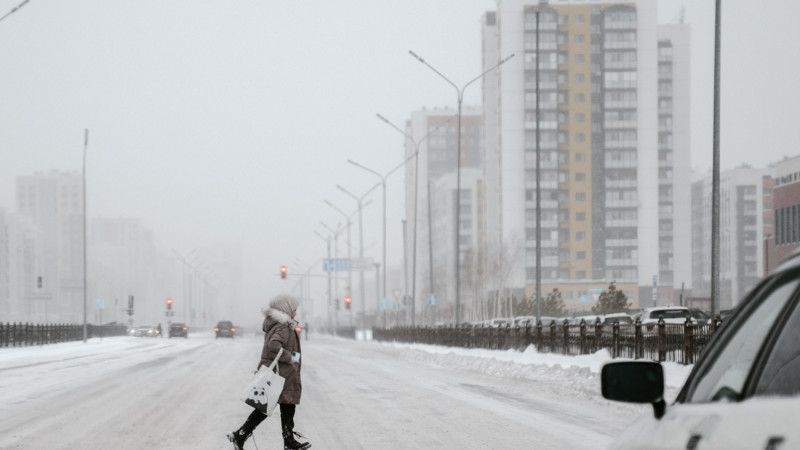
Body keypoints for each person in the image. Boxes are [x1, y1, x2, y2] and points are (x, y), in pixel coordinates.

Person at [228, 294, 311, 450]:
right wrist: (291, 358)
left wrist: (294, 357)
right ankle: (287, 441)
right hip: (282, 375)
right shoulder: (283, 326)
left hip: (279, 374)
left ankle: (241, 435)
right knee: (281, 407)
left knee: (269, 408)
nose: (295, 312)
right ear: (286, 310)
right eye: (294, 309)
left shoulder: (278, 325)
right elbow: (274, 346)